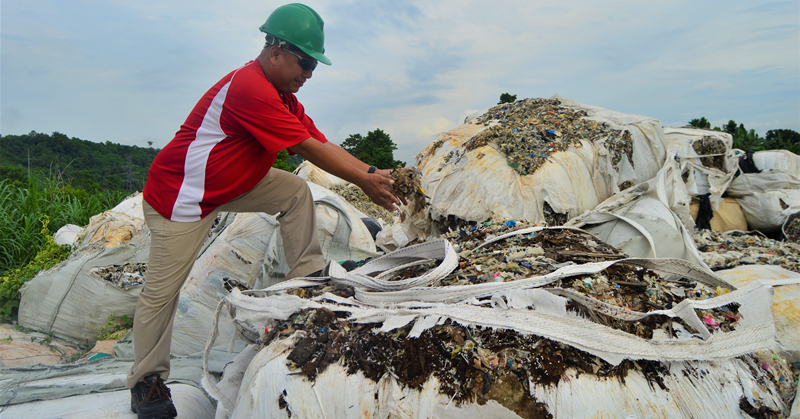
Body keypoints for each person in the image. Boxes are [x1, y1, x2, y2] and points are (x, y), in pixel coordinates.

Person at [126, 4, 401, 418]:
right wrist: (363, 181)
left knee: (293, 190)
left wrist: (369, 171)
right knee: (163, 292)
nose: (309, 73)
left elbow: (316, 138)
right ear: (275, 51)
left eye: (314, 66)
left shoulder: (283, 97)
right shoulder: (250, 88)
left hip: (228, 185)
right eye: (305, 62)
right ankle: (145, 380)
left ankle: (306, 279)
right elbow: (309, 150)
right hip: (181, 196)